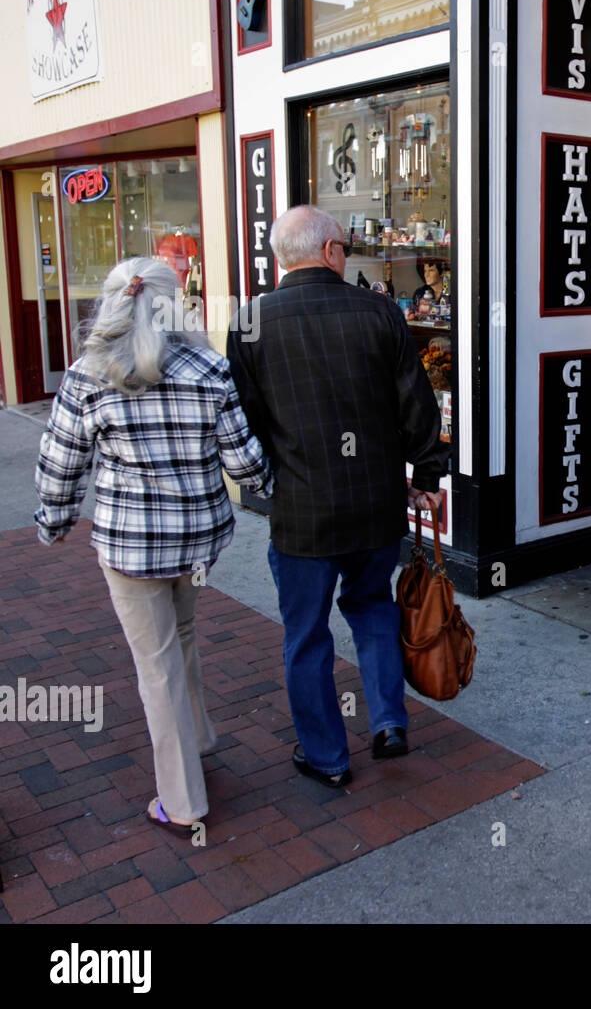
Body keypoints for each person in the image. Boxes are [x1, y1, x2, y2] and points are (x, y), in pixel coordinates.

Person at [35, 257, 273, 834]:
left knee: (156, 663)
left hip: (132, 546)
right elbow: (245, 463)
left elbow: (61, 464)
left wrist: (54, 520)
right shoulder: (209, 367)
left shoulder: (87, 373)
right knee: (182, 635)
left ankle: (183, 800)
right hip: (198, 542)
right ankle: (198, 740)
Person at [227, 205, 448, 789]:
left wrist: (264, 482)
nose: (345, 254)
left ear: (283, 258)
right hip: (375, 504)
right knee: (373, 608)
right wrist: (427, 476)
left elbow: (244, 423)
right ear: (329, 251)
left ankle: (326, 756)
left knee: (306, 635)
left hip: (302, 513)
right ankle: (387, 723)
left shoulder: (251, 322)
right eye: (344, 247)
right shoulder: (378, 311)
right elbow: (417, 406)